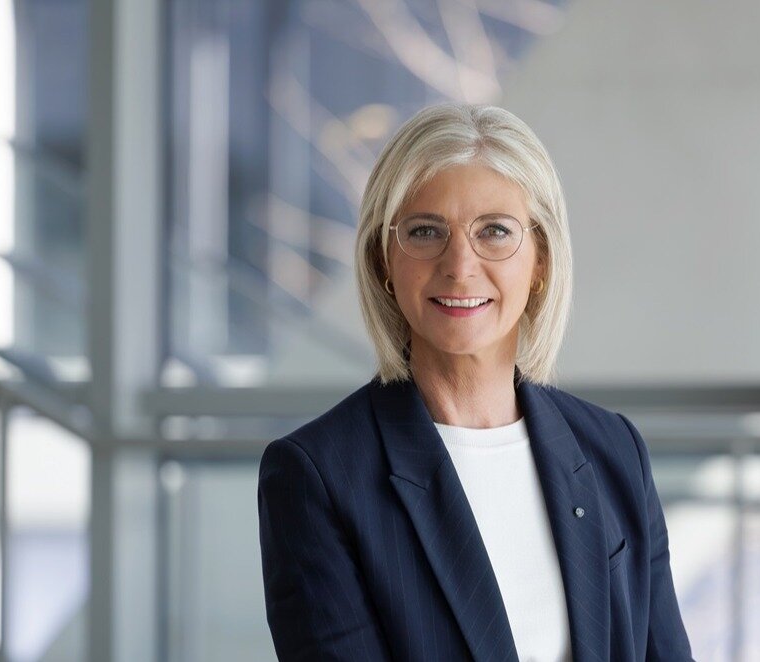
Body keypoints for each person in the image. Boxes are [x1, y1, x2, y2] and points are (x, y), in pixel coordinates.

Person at [256, 103, 694, 661]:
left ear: (539, 261)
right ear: (383, 261)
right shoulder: (317, 476)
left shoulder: (613, 451)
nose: (460, 265)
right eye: (425, 231)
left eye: (494, 231)